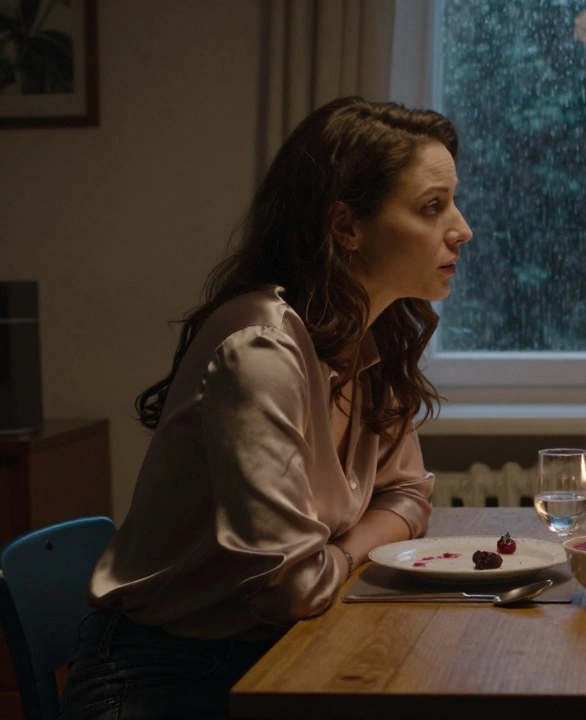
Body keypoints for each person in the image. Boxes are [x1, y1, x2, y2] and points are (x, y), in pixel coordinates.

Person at [59, 96, 473, 719]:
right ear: (345, 227)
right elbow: (293, 588)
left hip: (277, 651)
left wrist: (339, 552)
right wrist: (355, 550)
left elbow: (409, 495)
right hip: (161, 676)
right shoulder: (262, 348)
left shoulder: (371, 336)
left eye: (453, 201)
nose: (461, 228)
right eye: (431, 207)